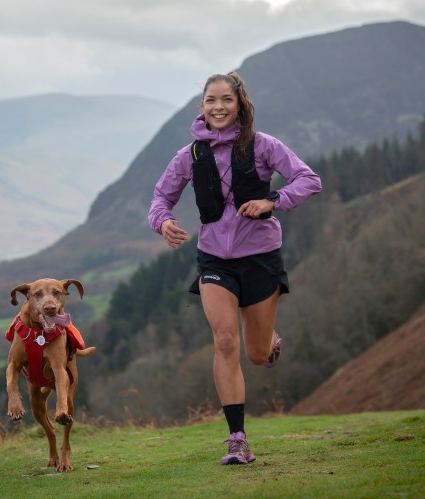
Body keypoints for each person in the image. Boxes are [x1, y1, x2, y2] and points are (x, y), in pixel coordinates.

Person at [147, 71, 321, 465]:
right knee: (226, 341)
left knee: (256, 354)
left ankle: (269, 340)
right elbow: (160, 197)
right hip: (213, 259)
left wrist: (273, 200)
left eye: (226, 99)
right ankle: (237, 439)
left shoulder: (263, 146)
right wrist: (164, 222)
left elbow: (309, 180)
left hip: (260, 256)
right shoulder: (189, 156)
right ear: (202, 107)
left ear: (239, 104)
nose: (218, 107)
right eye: (211, 100)